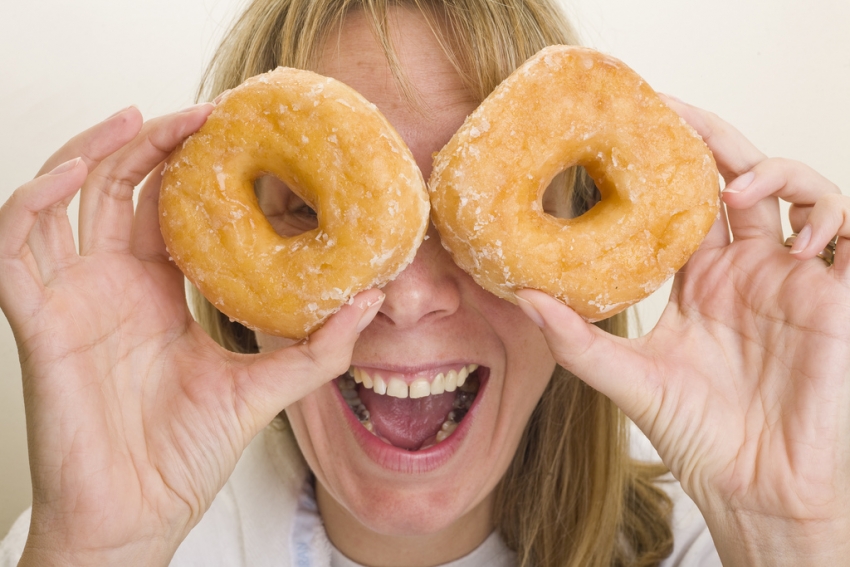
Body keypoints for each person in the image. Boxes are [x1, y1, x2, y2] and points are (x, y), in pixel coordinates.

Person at [1, 0, 848, 565]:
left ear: (597, 280)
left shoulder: (714, 542)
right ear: (224, 285)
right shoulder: (97, 541)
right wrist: (95, 549)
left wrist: (794, 532)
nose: (407, 297)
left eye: (472, 220)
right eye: (305, 210)